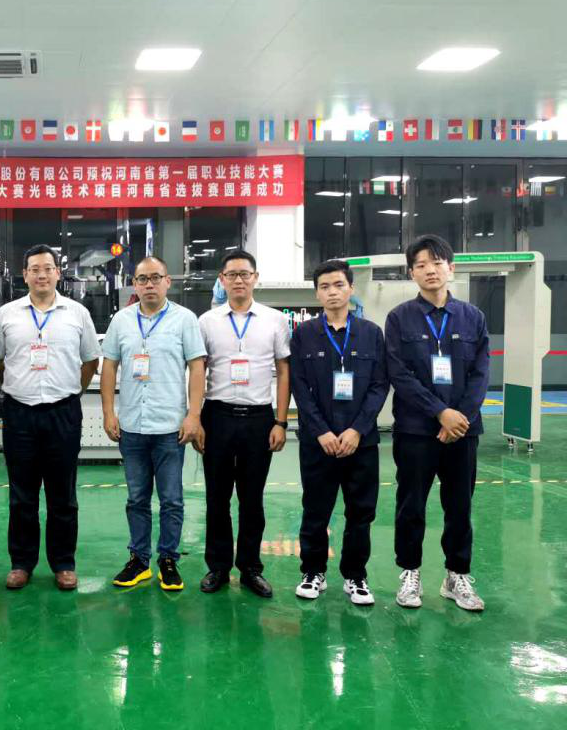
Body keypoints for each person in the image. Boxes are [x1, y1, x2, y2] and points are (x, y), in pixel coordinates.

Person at [386, 234, 490, 612]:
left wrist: (460, 417)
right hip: (416, 430)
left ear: (451, 267)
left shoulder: (473, 317)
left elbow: (480, 373)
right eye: (421, 264)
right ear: (411, 273)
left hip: (463, 431)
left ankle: (456, 576)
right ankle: (410, 573)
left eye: (437, 262)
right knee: (411, 505)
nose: (430, 270)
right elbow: (399, 374)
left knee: (459, 506)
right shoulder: (399, 318)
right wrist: (439, 412)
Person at [0, 244, 101, 591]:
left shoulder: (77, 313)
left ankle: (63, 563)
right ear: (25, 275)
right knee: (21, 494)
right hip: (19, 413)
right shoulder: (7, 314)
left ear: (58, 273)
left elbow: (90, 360)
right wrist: (16, 387)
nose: (41, 275)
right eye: (34, 269)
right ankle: (21, 563)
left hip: (62, 413)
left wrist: (71, 391)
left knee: (63, 495)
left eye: (47, 268)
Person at [101, 256, 206, 591]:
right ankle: (139, 559)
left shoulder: (185, 320)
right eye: (142, 279)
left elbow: (197, 367)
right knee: (137, 498)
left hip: (170, 428)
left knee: (172, 499)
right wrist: (108, 412)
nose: (149, 284)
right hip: (132, 426)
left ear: (167, 281)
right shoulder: (122, 320)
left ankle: (168, 559)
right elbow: (109, 367)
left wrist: (193, 415)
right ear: (134, 284)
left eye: (155, 278)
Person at [289, 260, 389, 605]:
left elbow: (379, 385)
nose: (332, 292)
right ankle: (312, 572)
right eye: (325, 287)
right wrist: (321, 432)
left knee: (361, 512)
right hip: (319, 443)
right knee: (315, 510)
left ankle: (355, 576)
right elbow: (299, 387)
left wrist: (357, 430)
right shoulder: (304, 334)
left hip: (361, 442)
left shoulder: (371, 333)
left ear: (351, 289)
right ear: (317, 293)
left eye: (338, 285)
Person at [197, 249, 290, 598]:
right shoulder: (207, 321)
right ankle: (218, 567)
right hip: (217, 417)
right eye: (232, 274)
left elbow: (283, 371)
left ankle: (250, 568)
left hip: (258, 419)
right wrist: (196, 418)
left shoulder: (274, 320)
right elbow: (198, 371)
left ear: (255, 278)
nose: (238, 280)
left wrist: (281, 421)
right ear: (222, 280)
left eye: (244, 274)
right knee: (217, 497)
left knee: (252, 499)